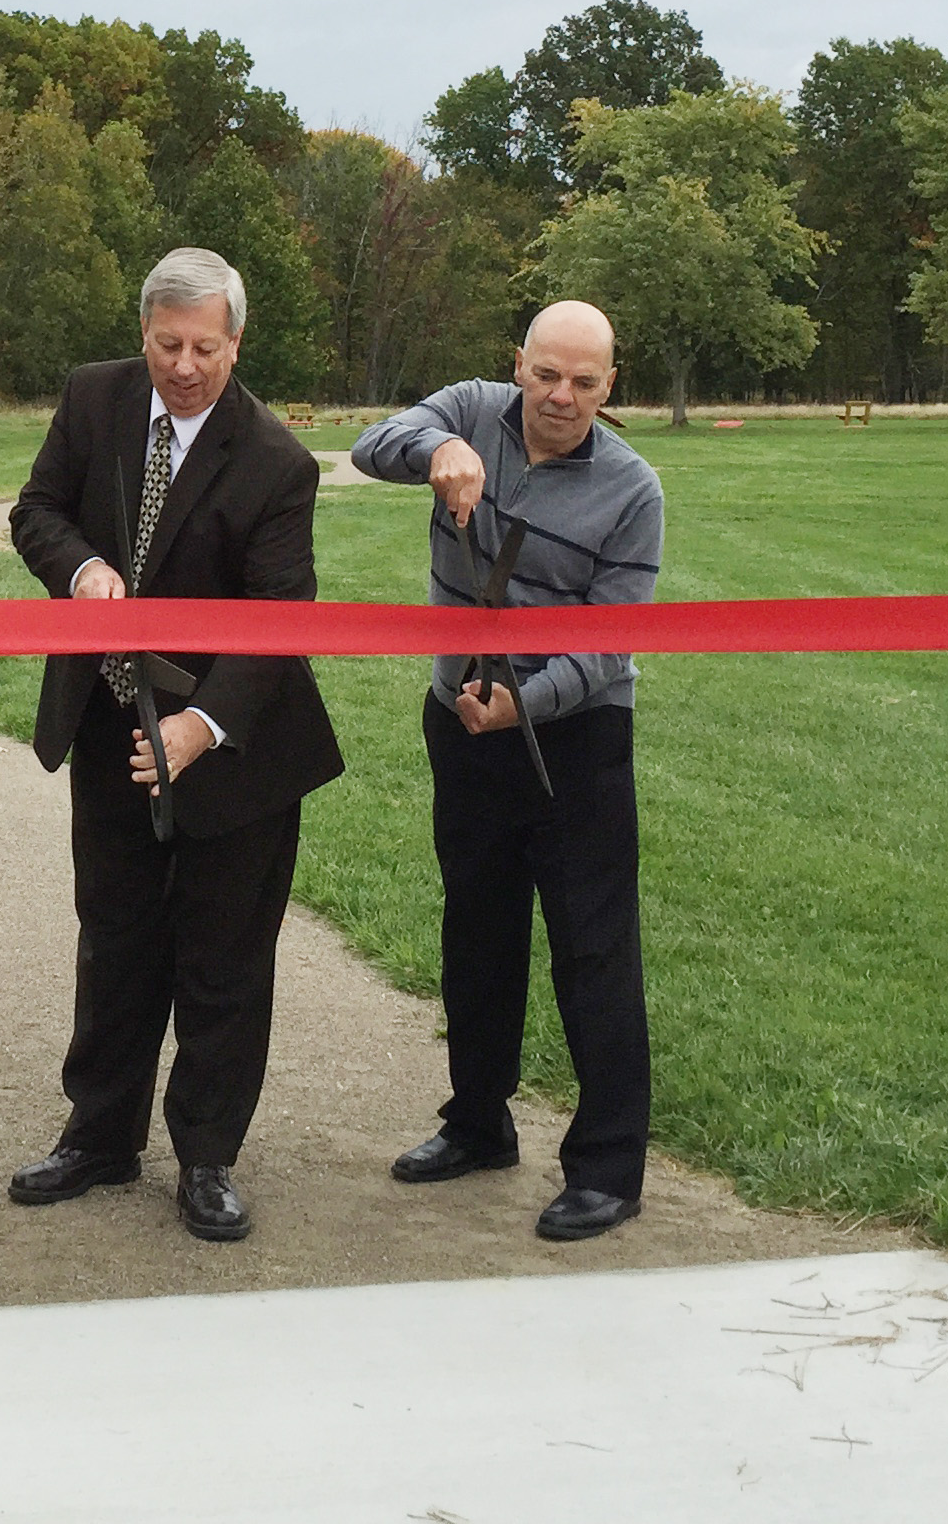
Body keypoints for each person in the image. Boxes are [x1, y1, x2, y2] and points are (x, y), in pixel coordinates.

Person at [4, 247, 344, 1243]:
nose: (183, 366)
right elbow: (36, 511)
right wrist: (80, 571)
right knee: (113, 938)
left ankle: (206, 1157)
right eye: (166, 345)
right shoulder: (92, 399)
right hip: (111, 720)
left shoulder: (275, 461)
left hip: (236, 747)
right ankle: (98, 1137)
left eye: (204, 347)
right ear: (141, 334)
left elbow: (279, 616)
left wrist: (199, 729)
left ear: (235, 343)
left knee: (221, 957)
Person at [349, 299, 665, 1241]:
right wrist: (433, 453)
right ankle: (477, 1124)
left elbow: (612, 644)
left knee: (592, 946)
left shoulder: (632, 490)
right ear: (516, 366)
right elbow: (376, 441)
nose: (559, 397)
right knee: (476, 931)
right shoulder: (469, 409)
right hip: (460, 720)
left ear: (611, 387)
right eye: (544, 374)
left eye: (584, 382)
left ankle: (609, 1166)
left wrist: (524, 703)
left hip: (577, 737)